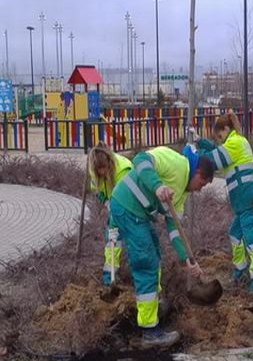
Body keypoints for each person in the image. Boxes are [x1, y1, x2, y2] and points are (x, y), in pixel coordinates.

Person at [109, 145, 215, 349]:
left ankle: (154, 306)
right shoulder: (174, 162)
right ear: (198, 172)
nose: (200, 189)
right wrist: (157, 185)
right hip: (126, 207)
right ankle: (149, 332)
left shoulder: (182, 194)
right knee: (146, 263)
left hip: (140, 215)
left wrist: (187, 260)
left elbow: (175, 229)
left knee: (154, 255)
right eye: (202, 183)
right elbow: (140, 160)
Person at [195, 113, 253, 291]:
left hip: (246, 199)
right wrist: (200, 142)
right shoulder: (234, 143)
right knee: (234, 233)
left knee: (251, 238)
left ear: (226, 130)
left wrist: (195, 154)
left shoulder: (235, 143)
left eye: (219, 137)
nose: (219, 141)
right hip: (242, 200)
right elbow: (216, 150)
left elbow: (214, 159)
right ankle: (240, 268)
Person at [87, 144, 133, 286]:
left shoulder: (123, 170)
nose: (103, 172)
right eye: (99, 170)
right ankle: (109, 279)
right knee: (112, 241)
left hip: (131, 207)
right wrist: (105, 200)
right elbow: (97, 189)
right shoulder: (95, 173)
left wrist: (114, 220)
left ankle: (136, 276)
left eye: (104, 168)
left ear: (109, 164)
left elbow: (124, 197)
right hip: (114, 205)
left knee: (134, 241)